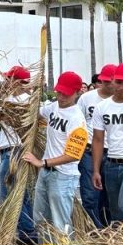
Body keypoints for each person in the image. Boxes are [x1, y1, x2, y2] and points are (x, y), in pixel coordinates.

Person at [23, 71, 87, 236]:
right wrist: (33, 89)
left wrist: (42, 163)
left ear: (77, 93)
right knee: (40, 219)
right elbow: (33, 112)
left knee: (60, 224)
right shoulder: (53, 107)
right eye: (59, 92)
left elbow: (74, 155)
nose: (61, 97)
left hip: (63, 176)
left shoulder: (77, 119)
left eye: (66, 93)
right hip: (46, 174)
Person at [91, 62, 123, 232]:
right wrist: (96, 170)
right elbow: (98, 140)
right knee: (117, 214)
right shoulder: (102, 107)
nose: (121, 87)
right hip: (111, 163)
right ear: (112, 80)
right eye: (118, 82)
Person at [0, 66, 37, 245]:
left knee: (13, 193)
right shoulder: (9, 98)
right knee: (18, 192)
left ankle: (26, 230)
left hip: (16, 150)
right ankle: (24, 230)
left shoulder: (24, 100)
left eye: (9, 78)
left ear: (18, 82)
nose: (6, 81)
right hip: (10, 149)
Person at [77, 64, 115, 226]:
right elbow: (77, 122)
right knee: (90, 195)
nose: (106, 84)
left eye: (110, 81)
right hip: (89, 151)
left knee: (109, 197)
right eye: (103, 81)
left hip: (114, 153)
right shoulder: (87, 98)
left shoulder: (122, 101)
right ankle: (94, 231)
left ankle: (107, 230)